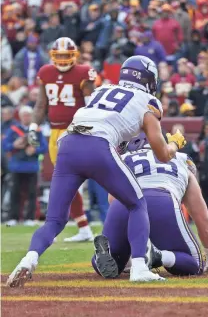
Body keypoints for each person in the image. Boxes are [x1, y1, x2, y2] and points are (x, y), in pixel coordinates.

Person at [7, 55, 187, 287]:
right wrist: (175, 144)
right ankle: (140, 267)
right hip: (97, 145)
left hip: (68, 144)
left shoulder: (103, 89)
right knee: (136, 203)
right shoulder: (148, 101)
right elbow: (162, 154)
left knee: (54, 220)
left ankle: (29, 259)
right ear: (148, 79)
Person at [92, 135, 208, 278]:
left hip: (123, 205)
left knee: (116, 261)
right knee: (194, 263)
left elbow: (112, 199)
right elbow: (202, 218)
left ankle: (102, 257)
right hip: (161, 199)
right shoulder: (181, 159)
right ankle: (158, 256)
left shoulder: (124, 158)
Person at [24, 37, 95, 242]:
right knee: (64, 180)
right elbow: (40, 104)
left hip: (77, 131)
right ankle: (82, 227)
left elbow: (91, 105)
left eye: (67, 56)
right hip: (55, 133)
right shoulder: (46, 72)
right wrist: (33, 126)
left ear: (74, 56)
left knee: (69, 180)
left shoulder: (84, 72)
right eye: (59, 56)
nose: (63, 60)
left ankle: (55, 224)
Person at [2, 106, 48, 226]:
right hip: (16, 166)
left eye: (28, 115)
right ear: (20, 117)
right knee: (14, 192)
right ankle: (13, 217)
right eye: (24, 115)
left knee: (32, 193)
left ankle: (30, 218)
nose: (26, 117)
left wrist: (35, 150)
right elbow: (5, 145)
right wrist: (14, 145)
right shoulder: (14, 129)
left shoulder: (36, 131)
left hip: (32, 166)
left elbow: (44, 147)